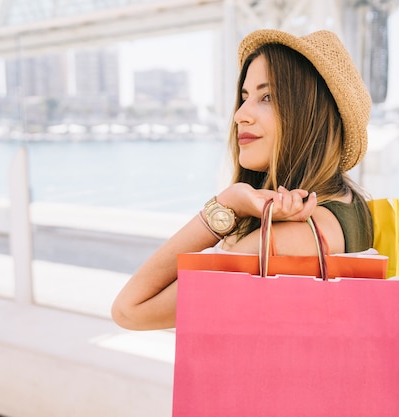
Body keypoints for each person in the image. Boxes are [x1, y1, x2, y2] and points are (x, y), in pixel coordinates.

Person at [111, 29, 374, 330]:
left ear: (310, 114)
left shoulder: (281, 243)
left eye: (268, 97)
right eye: (245, 97)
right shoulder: (351, 206)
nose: (240, 115)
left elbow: (131, 310)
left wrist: (226, 206)